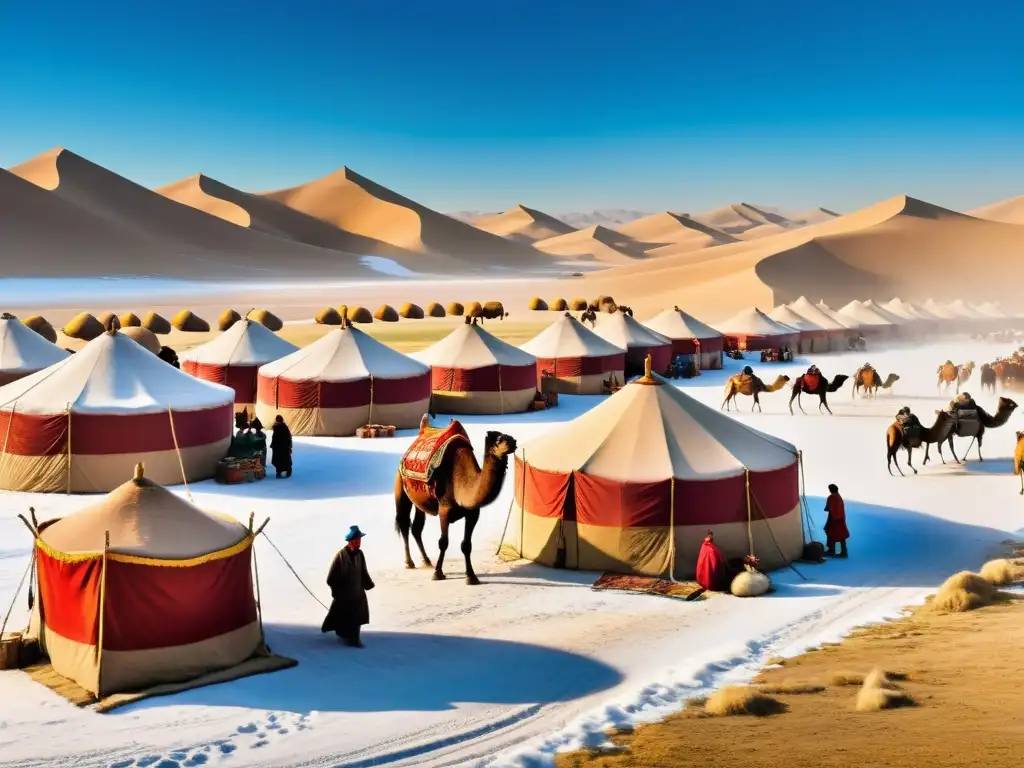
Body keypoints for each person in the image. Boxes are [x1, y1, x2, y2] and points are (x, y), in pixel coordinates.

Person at [321, 526, 375, 647]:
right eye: (357, 540)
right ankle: (344, 635)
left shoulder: (360, 554)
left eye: (360, 540)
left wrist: (368, 584)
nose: (359, 542)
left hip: (358, 593)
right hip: (345, 594)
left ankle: (354, 639)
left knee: (358, 616)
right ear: (351, 541)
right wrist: (336, 591)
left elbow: (363, 571)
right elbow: (331, 578)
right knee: (344, 616)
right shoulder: (341, 556)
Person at [824, 484, 849, 558]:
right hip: (839, 518)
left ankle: (832, 551)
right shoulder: (837, 497)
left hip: (835, 519)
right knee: (840, 535)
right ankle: (842, 552)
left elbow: (829, 508)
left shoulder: (833, 498)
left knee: (832, 534)